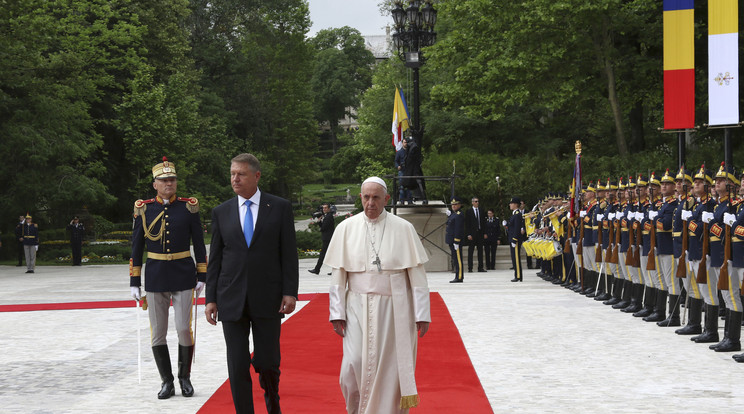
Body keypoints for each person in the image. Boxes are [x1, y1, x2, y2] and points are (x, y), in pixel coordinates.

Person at [325, 176, 430, 414]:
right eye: (366, 197)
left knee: (391, 369)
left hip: (395, 309)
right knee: (353, 365)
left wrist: (422, 314)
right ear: (361, 197)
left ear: (386, 199)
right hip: (355, 308)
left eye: (375, 197)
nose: (370, 203)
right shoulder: (345, 228)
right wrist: (336, 312)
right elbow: (338, 277)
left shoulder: (404, 228)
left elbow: (417, 276)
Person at [205, 153, 299, 414]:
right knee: (236, 364)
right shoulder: (221, 212)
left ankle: (273, 403)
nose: (235, 179)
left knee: (268, 362)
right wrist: (210, 298)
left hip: (268, 298)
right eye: (233, 173)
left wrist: (290, 292)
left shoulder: (279, 207)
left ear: (256, 176)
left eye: (241, 174)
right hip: (230, 298)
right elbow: (215, 259)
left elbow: (288, 253)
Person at [130, 157, 207, 400]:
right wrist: (135, 281)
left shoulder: (188, 207)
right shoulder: (144, 208)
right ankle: (167, 381)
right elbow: (136, 247)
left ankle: (185, 377)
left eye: (172, 180)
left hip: (184, 273)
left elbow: (199, 244)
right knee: (158, 332)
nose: (168, 184)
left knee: (184, 328)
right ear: (155, 184)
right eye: (163, 180)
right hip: (155, 276)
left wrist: (202, 274)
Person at [309, 203, 335, 274]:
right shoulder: (327, 216)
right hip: (328, 238)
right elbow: (323, 226)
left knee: (323, 254)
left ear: (329, 209)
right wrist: (320, 221)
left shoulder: (329, 216)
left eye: (325, 208)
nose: (324, 209)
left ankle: (317, 269)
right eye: (323, 208)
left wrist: (320, 222)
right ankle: (318, 269)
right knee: (331, 255)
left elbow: (323, 228)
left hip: (328, 238)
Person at [402, 137, 427, 204]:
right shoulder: (411, 147)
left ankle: (424, 198)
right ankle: (404, 199)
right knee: (405, 184)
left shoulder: (413, 147)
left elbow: (414, 159)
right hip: (410, 168)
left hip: (414, 168)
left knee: (418, 182)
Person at [465, 197, 487, 272]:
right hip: (472, 234)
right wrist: (468, 234)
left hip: (480, 233)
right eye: (476, 201)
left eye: (478, 201)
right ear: (472, 202)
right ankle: (470, 268)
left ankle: (480, 267)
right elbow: (467, 224)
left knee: (480, 251)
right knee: (470, 251)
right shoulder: (469, 211)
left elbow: (484, 223)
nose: (477, 203)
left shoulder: (481, 210)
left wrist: (484, 232)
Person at [447, 196, 465, 283]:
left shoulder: (459, 215)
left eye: (455, 204)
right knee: (455, 259)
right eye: (452, 204)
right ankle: (458, 275)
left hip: (456, 241)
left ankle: (459, 276)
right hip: (452, 240)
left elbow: (458, 228)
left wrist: (456, 241)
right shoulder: (454, 214)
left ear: (459, 205)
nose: (453, 206)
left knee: (458, 259)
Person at [506, 197, 524, 282]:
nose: (510, 205)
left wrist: (514, 239)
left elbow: (517, 228)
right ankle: (517, 274)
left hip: (515, 240)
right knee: (514, 258)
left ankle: (518, 275)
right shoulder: (514, 214)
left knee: (516, 258)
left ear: (516, 204)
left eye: (511, 203)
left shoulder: (517, 214)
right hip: (513, 239)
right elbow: (512, 227)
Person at [395, 139, 412, 204]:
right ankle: (402, 201)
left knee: (409, 186)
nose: (406, 144)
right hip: (402, 171)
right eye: (405, 142)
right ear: (402, 143)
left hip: (409, 171)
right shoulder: (399, 152)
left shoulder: (410, 152)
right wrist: (398, 166)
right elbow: (396, 161)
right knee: (402, 186)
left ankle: (410, 201)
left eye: (407, 142)